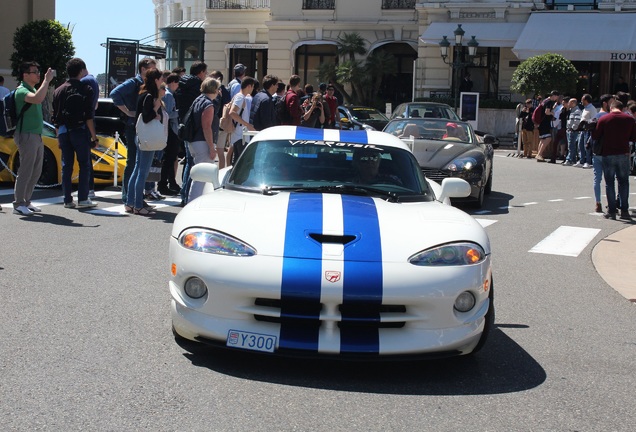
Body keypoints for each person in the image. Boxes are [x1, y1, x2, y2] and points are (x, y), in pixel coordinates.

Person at [109, 57, 157, 204]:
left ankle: (136, 196)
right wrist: (128, 111)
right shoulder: (133, 82)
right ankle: (128, 196)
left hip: (141, 125)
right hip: (133, 126)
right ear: (143, 69)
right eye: (152, 69)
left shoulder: (145, 84)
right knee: (133, 162)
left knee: (140, 164)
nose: (154, 72)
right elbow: (114, 94)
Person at [52, 57, 98, 210]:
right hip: (80, 130)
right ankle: (83, 198)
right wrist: (94, 136)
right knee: (84, 164)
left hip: (63, 131)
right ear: (80, 71)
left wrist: (58, 136)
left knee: (67, 166)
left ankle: (67, 199)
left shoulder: (58, 90)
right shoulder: (86, 89)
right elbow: (88, 116)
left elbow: (55, 117)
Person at [11, 62, 54, 216]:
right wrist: (46, 80)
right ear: (25, 75)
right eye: (34, 72)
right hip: (26, 134)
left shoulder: (33, 89)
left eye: (38, 71)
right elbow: (37, 99)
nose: (38, 74)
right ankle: (18, 203)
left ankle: (26, 201)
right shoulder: (22, 91)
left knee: (36, 170)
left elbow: (39, 97)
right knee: (26, 170)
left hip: (35, 135)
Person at [125, 68, 166, 216]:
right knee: (142, 171)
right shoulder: (150, 96)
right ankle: (137, 205)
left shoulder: (143, 93)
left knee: (137, 170)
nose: (162, 81)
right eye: (161, 78)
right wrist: (156, 110)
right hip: (147, 138)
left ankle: (130, 203)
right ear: (156, 80)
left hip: (141, 136)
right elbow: (147, 117)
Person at [593, 100, 636, 220]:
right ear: (622, 109)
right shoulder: (629, 120)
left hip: (608, 153)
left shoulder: (604, 119)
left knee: (609, 183)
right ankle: (625, 211)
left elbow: (595, 136)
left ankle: (611, 211)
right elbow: (633, 137)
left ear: (611, 108)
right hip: (623, 153)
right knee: (623, 182)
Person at [175, 61, 208, 206]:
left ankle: (184, 193)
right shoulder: (197, 88)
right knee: (194, 164)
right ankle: (188, 195)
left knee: (189, 162)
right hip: (195, 129)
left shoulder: (181, 84)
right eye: (205, 73)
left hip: (184, 126)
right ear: (200, 72)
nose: (205, 75)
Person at [187, 77, 221, 202]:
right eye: (217, 89)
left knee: (199, 175)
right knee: (202, 177)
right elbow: (206, 127)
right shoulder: (208, 104)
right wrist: (212, 147)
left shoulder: (198, 100)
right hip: (203, 142)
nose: (218, 91)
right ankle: (194, 202)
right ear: (214, 89)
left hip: (194, 141)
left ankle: (193, 200)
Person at [157, 72, 181, 196]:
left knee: (169, 158)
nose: (178, 86)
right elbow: (168, 114)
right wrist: (178, 113)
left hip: (168, 129)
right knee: (169, 158)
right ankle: (163, 184)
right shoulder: (169, 96)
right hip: (170, 129)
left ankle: (166, 183)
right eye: (177, 83)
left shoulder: (167, 94)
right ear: (172, 83)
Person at [591, 94, 614, 213]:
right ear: (605, 103)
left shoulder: (596, 117)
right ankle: (611, 204)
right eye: (611, 102)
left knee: (597, 178)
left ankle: (598, 202)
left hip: (597, 150)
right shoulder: (610, 117)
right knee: (609, 179)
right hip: (609, 151)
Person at [226, 77, 256, 166]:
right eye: (253, 86)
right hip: (240, 135)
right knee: (240, 162)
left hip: (239, 134)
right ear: (249, 86)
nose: (253, 89)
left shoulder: (240, 97)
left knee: (238, 161)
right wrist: (247, 125)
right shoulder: (240, 97)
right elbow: (232, 113)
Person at [80, 71, 100, 199]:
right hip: (88, 123)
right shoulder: (93, 81)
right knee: (86, 160)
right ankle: (89, 188)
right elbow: (95, 105)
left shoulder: (85, 81)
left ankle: (88, 189)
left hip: (83, 124)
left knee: (84, 160)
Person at [210, 70, 231, 168]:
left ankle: (219, 174)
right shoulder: (225, 91)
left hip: (218, 124)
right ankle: (219, 174)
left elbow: (226, 107)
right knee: (220, 151)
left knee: (217, 151)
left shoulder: (218, 91)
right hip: (221, 124)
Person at [575, 93, 597, 168]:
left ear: (586, 100)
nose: (581, 101)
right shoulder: (585, 108)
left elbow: (594, 119)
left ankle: (588, 161)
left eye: (582, 99)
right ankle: (581, 160)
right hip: (582, 129)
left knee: (586, 146)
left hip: (587, 129)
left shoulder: (592, 108)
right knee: (580, 145)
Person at [563, 98, 582, 166]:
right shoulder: (571, 110)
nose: (568, 104)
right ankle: (573, 159)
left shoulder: (577, 111)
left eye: (570, 103)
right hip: (569, 130)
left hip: (572, 131)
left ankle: (569, 159)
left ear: (573, 103)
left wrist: (572, 128)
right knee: (570, 145)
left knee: (571, 146)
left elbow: (577, 121)